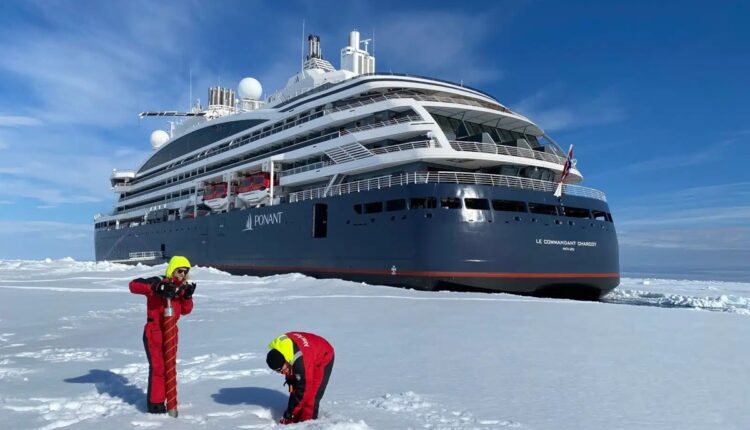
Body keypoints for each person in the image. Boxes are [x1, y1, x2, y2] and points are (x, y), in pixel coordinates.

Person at [129, 256, 196, 414]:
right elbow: (133, 286)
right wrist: (156, 288)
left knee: (170, 368)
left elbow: (186, 311)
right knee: (159, 368)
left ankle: (170, 401)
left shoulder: (181, 288)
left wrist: (187, 297)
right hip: (155, 331)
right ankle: (156, 404)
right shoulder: (158, 282)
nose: (182, 275)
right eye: (180, 270)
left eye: (185, 272)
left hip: (172, 331)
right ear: (172, 269)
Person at [266, 332, 335, 424]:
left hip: (323, 355)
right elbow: (295, 388)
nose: (282, 373)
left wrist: (289, 415)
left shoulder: (300, 363)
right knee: (294, 384)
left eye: (283, 369)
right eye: (278, 371)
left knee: (312, 395)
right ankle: (295, 417)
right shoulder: (282, 350)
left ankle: (307, 424)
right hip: (308, 352)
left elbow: (302, 392)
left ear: (286, 360)